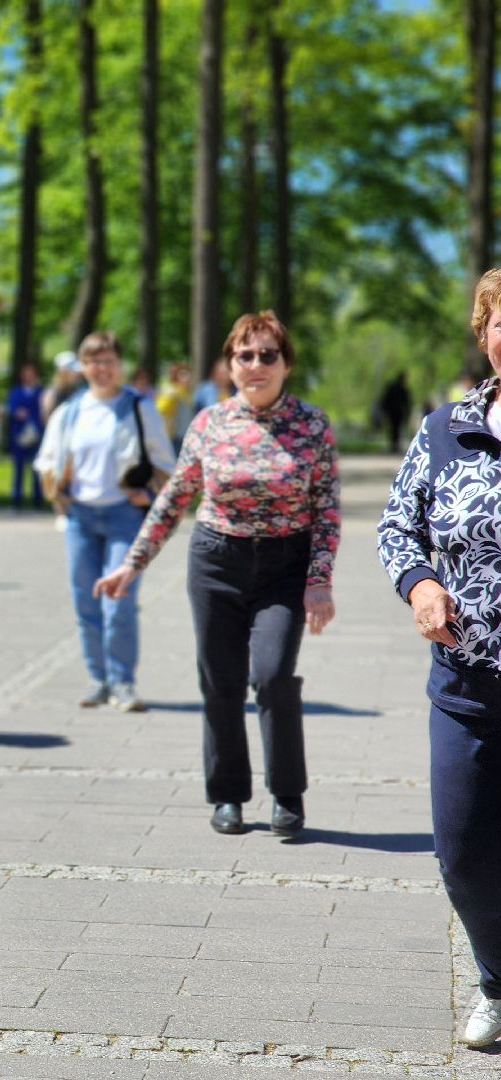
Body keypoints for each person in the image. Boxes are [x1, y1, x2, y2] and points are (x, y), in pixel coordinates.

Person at [97, 310, 339, 837]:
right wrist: (131, 566)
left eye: (267, 355)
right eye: (244, 355)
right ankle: (227, 795)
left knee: (273, 676)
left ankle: (287, 795)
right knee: (221, 682)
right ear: (229, 365)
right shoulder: (209, 423)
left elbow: (327, 511)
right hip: (216, 562)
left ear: (286, 364)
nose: (255, 365)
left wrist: (319, 580)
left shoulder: (312, 425)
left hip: (283, 565)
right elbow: (174, 499)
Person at [377, 267, 501, 1049]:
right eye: (500, 319)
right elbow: (397, 527)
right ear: (485, 331)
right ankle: (497, 977)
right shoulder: (444, 431)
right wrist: (422, 586)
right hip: (467, 683)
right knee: (461, 851)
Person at [36, 331, 175, 712]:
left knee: (120, 601)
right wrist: (59, 489)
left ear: (121, 365)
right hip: (80, 517)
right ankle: (98, 679)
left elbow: (166, 463)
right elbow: (48, 461)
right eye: (94, 361)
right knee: (86, 602)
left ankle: (123, 682)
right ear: (82, 367)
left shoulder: (139, 408)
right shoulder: (70, 412)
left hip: (124, 518)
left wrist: (146, 492)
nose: (102, 369)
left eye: (109, 361)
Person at [7, 363, 46, 509]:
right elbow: (11, 409)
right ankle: (17, 499)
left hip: (37, 435)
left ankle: (38, 499)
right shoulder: (16, 393)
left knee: (37, 468)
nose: (28, 377)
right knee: (19, 468)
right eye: (26, 374)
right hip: (20, 436)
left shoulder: (41, 393)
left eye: (31, 373)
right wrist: (17, 413)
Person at [154, 363, 197, 454]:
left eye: (188, 375)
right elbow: (159, 409)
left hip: (186, 436)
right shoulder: (172, 391)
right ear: (176, 377)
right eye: (183, 375)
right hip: (174, 436)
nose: (187, 378)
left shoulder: (188, 393)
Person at [41, 350, 82, 421]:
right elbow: (48, 422)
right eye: (72, 372)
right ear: (62, 373)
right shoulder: (52, 395)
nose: (77, 375)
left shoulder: (81, 389)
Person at [377, 374, 412, 454]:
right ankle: (394, 445)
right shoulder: (401, 389)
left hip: (394, 412)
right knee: (396, 428)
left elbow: (386, 399)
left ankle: (394, 445)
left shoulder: (395, 388)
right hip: (396, 411)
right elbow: (406, 402)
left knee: (395, 428)